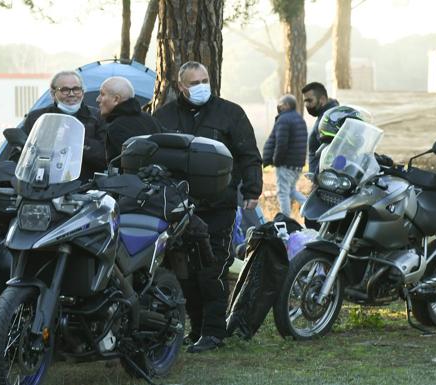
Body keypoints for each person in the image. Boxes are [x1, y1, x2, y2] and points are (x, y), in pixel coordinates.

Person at [154, 61, 263, 353]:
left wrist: (252, 189)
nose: (201, 86)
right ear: (180, 86)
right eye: (194, 82)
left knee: (211, 269)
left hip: (218, 206)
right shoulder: (164, 116)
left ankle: (214, 332)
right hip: (179, 208)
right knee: (184, 273)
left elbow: (248, 154)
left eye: (204, 80)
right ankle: (197, 328)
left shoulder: (230, 113)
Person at [23, 70, 106, 181]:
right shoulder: (37, 117)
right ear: (53, 93)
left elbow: (105, 156)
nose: (71, 94)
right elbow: (20, 154)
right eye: (65, 90)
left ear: (83, 92)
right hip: (43, 183)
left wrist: (77, 141)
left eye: (76, 89)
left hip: (84, 186)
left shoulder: (97, 117)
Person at [96, 76, 162, 163]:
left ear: (116, 99)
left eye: (102, 94)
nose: (98, 99)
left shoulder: (117, 127)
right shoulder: (151, 120)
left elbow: (130, 164)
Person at [262, 94, 307, 217]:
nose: (278, 106)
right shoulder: (299, 118)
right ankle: (308, 206)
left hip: (286, 164)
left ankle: (285, 219)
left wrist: (276, 160)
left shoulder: (284, 119)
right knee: (291, 190)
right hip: (297, 165)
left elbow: (281, 143)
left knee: (282, 193)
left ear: (287, 105)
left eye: (280, 104)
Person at [301, 82, 339, 175]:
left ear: (322, 99)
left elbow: (334, 150)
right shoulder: (325, 115)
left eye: (309, 101)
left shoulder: (330, 118)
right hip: (321, 179)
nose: (306, 105)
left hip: (325, 180)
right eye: (305, 101)